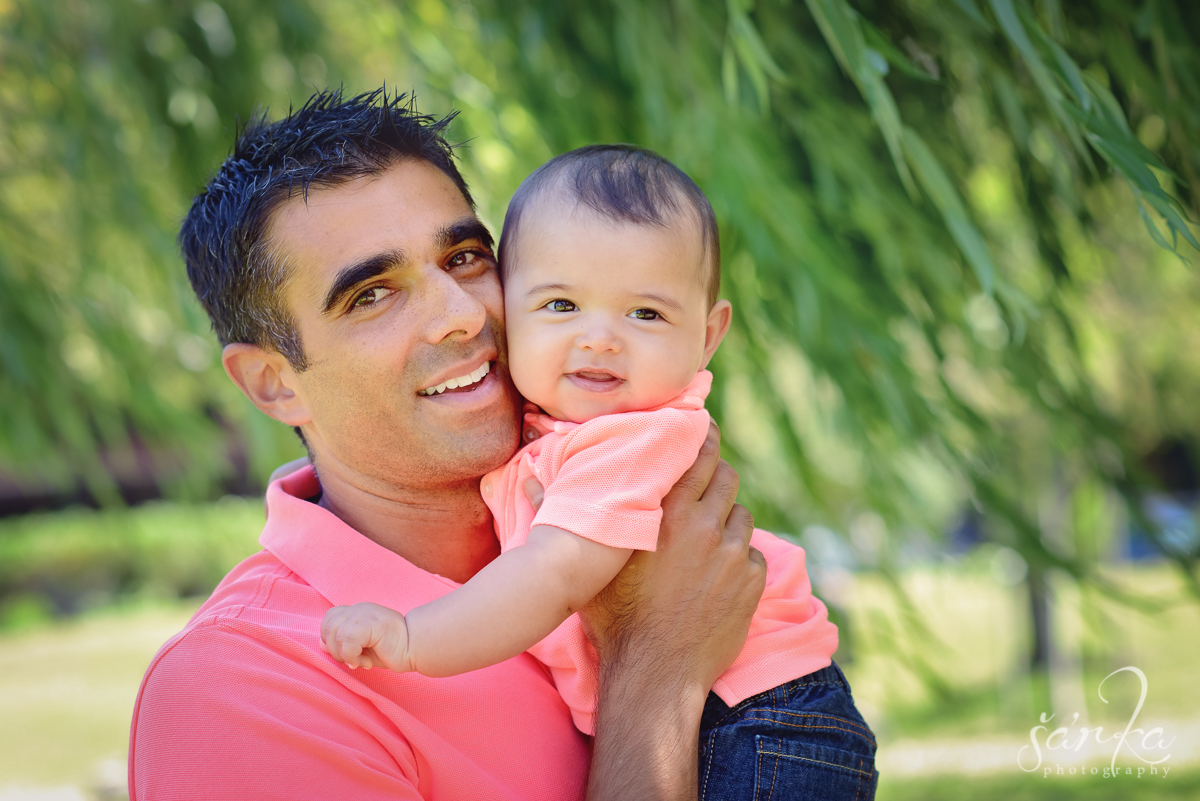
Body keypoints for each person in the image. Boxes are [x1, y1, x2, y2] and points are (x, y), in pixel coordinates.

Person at [129, 88, 766, 800]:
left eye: (464, 256)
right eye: (371, 294)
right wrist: (657, 669)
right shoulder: (239, 689)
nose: (461, 315)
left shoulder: (607, 494)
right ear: (275, 383)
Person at [319, 145, 877, 799]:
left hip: (761, 717)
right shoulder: (556, 426)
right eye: (560, 305)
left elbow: (552, 574)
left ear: (707, 334)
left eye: (645, 313)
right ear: (506, 311)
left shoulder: (632, 438)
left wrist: (414, 637)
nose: (601, 338)